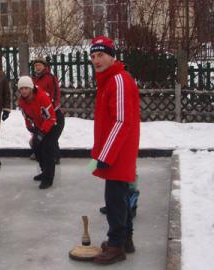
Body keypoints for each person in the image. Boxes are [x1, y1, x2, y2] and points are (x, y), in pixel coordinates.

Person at [89, 36, 140, 265]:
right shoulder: (109, 80)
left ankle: (116, 245)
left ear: (112, 56)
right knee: (120, 196)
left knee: (115, 200)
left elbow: (121, 121)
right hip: (115, 150)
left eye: (101, 55)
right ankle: (125, 239)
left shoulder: (118, 79)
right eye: (93, 56)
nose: (96, 60)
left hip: (118, 152)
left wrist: (106, 155)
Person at [17, 76, 57, 189]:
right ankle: (44, 171)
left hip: (53, 122)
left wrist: (42, 133)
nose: (24, 91)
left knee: (47, 149)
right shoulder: (22, 101)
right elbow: (27, 117)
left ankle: (48, 179)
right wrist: (31, 130)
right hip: (40, 123)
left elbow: (51, 118)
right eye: (21, 89)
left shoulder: (42, 97)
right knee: (36, 146)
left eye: (26, 88)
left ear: (31, 88)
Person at [32, 57, 64, 164]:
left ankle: (55, 155)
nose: (37, 67)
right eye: (35, 65)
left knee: (52, 134)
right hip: (40, 112)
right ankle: (40, 153)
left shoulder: (50, 77)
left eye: (39, 65)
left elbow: (56, 92)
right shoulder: (33, 79)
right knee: (41, 132)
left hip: (51, 110)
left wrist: (53, 107)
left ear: (44, 66)